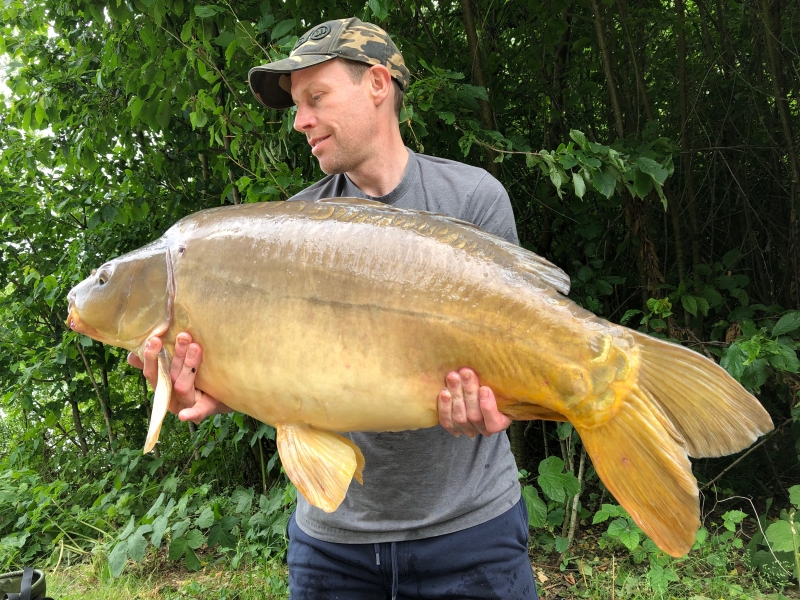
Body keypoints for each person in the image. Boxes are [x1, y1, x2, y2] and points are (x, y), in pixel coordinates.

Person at [129, 17, 539, 600]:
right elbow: (277, 375)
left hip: (471, 534)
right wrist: (214, 388)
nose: (299, 122)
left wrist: (504, 399)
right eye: (296, 106)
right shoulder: (288, 230)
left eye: (315, 98)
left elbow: (518, 356)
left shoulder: (472, 199)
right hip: (333, 548)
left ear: (377, 85)